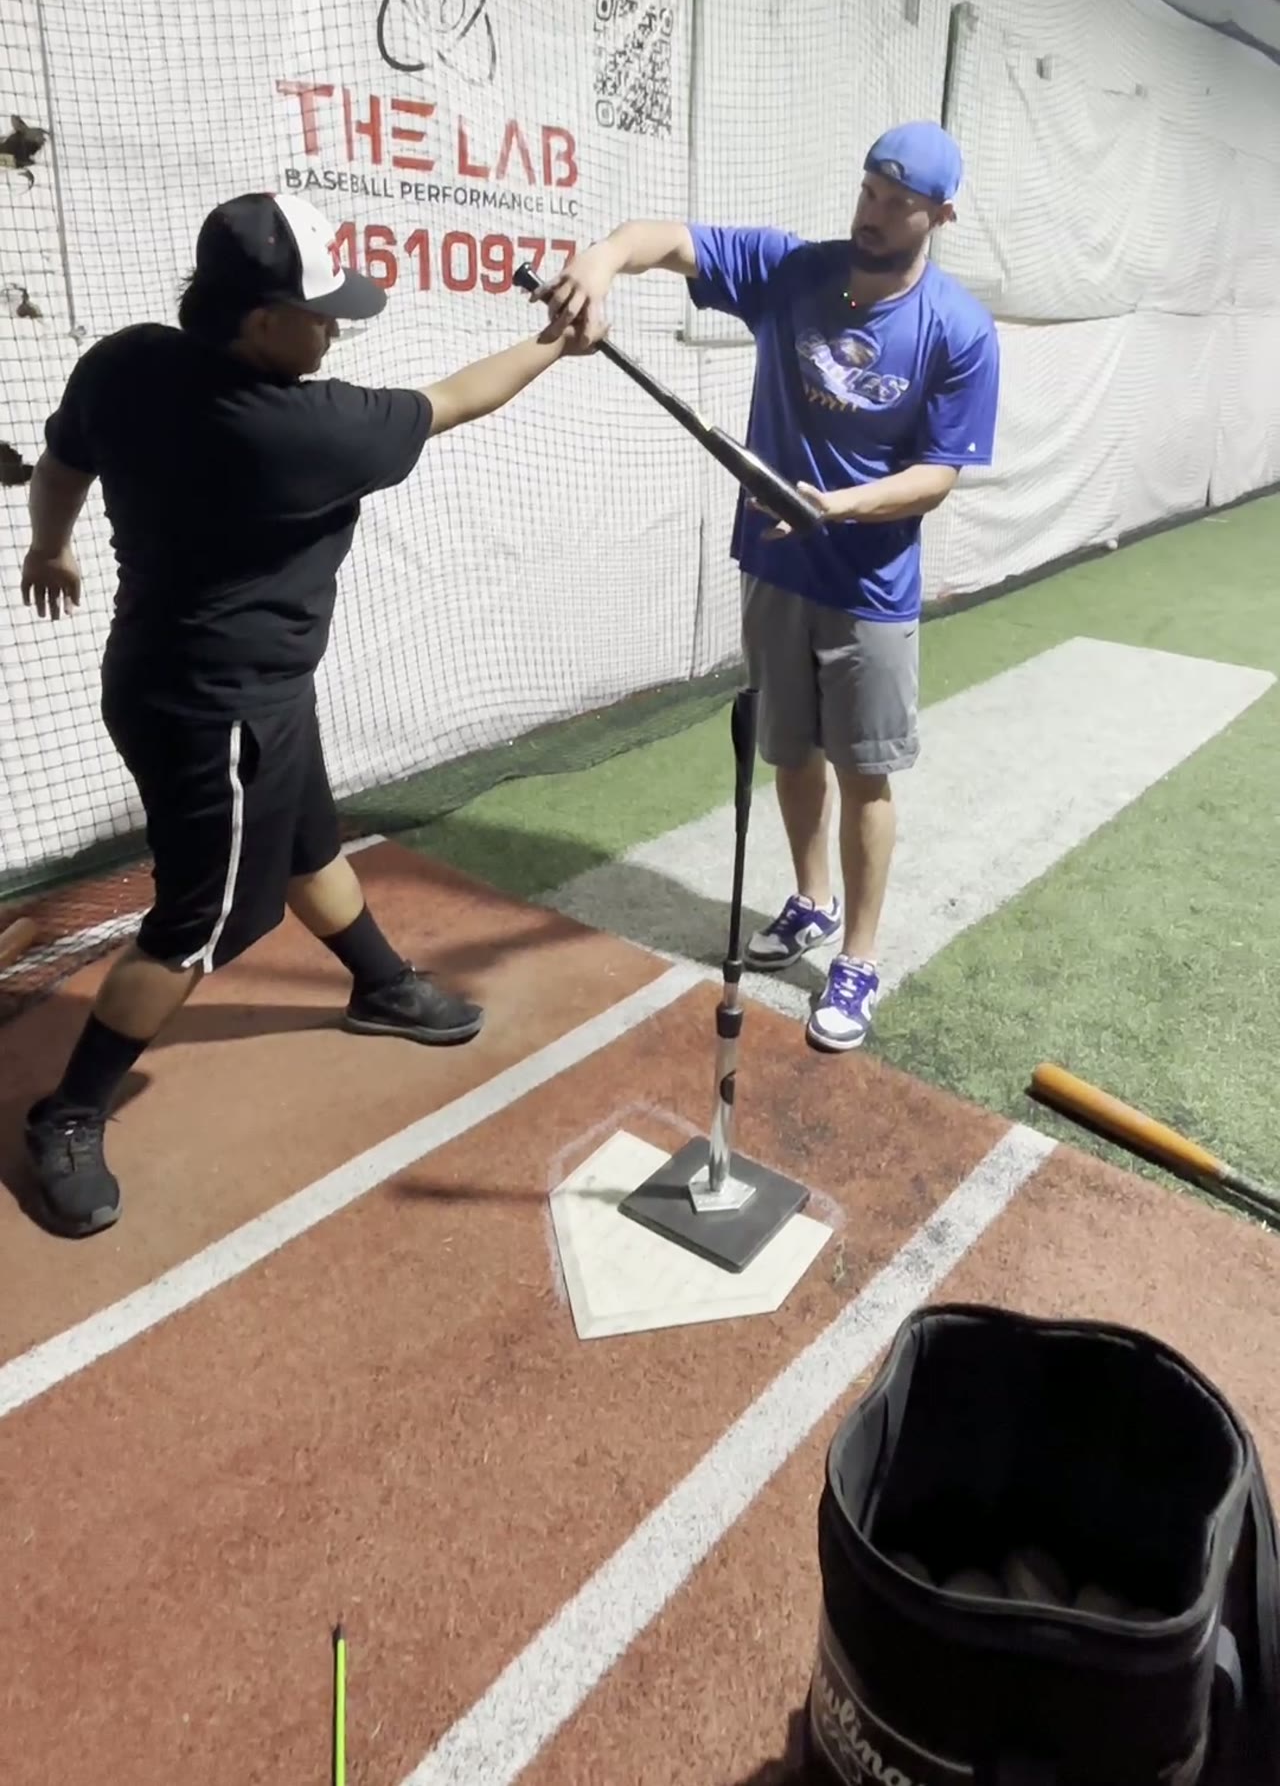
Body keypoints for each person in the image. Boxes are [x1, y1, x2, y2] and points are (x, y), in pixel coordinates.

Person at [18, 190, 586, 1238]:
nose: (334, 329)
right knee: (198, 927)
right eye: (318, 312)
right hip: (219, 711)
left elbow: (61, 463)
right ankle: (68, 1109)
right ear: (255, 318)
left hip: (189, 679)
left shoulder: (125, 361)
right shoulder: (298, 432)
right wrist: (555, 341)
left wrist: (49, 544)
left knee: (310, 838)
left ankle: (378, 983)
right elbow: (458, 397)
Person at [543, 121, 1000, 1055]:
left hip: (870, 585)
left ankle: (860, 958)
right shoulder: (792, 273)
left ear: (939, 215)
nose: (871, 214)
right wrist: (599, 262)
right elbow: (660, 241)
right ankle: (812, 901)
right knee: (792, 751)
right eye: (868, 191)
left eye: (896, 203)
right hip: (774, 568)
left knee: (864, 772)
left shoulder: (957, 329)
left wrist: (837, 505)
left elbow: (941, 473)